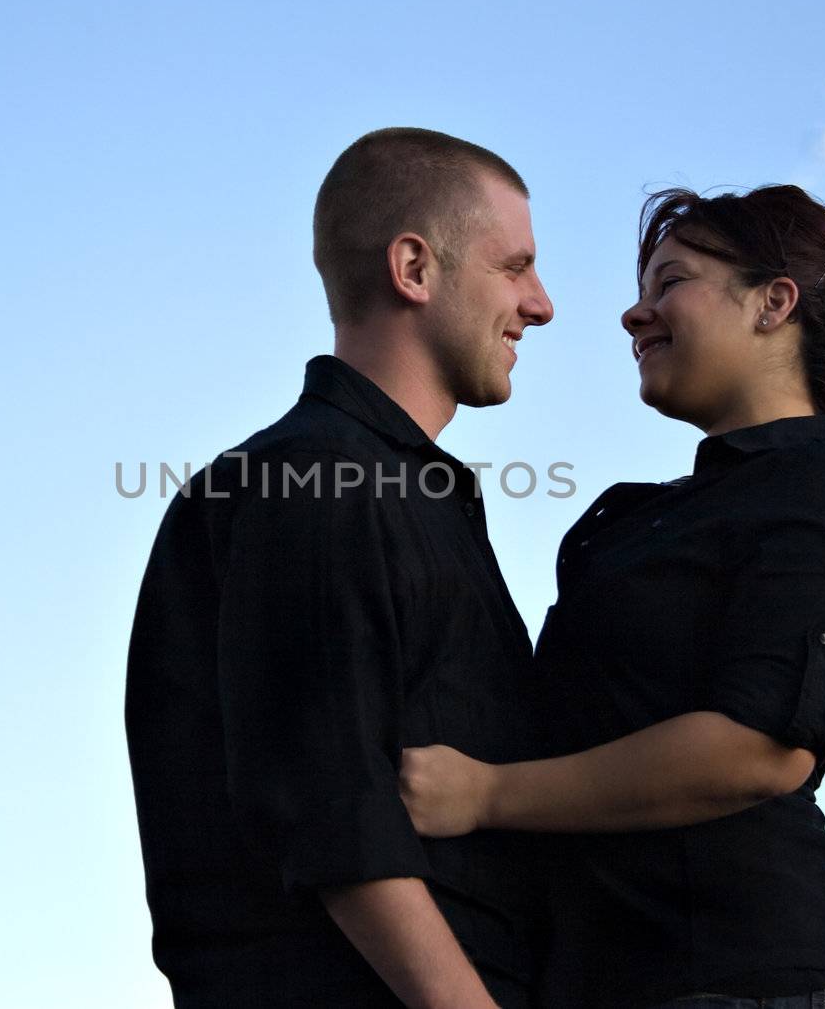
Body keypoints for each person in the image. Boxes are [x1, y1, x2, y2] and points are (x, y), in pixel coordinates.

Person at [398, 185, 825, 1009]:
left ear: (772, 302)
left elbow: (758, 749)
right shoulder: (632, 518)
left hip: (738, 978)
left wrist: (486, 794)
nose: (633, 316)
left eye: (670, 282)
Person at [125, 127, 555, 1008]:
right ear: (414, 267)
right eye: (514, 266)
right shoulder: (317, 481)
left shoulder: (389, 490)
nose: (541, 304)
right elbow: (333, 815)